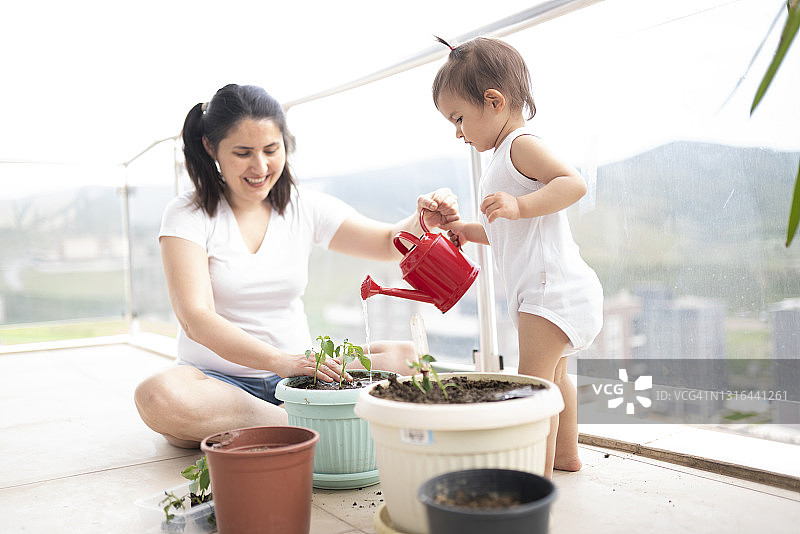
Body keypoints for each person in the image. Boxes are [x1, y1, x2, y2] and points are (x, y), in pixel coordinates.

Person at [134, 84, 461, 448]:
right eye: (243, 153)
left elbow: (387, 242)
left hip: (302, 378)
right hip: (219, 384)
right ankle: (309, 426)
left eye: (271, 150)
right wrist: (280, 361)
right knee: (158, 395)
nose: (260, 167)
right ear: (211, 148)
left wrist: (422, 220)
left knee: (407, 358)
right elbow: (194, 317)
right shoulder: (187, 214)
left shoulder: (304, 207)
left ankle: (293, 427)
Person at [431, 37, 603, 478]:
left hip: (549, 292)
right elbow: (498, 230)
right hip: (555, 290)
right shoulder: (503, 157)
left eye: (458, 119)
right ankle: (565, 456)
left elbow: (573, 183)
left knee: (534, 390)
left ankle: (533, 478)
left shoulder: (519, 145)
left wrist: (521, 205)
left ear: (493, 101)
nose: (458, 132)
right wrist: (460, 228)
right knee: (555, 379)